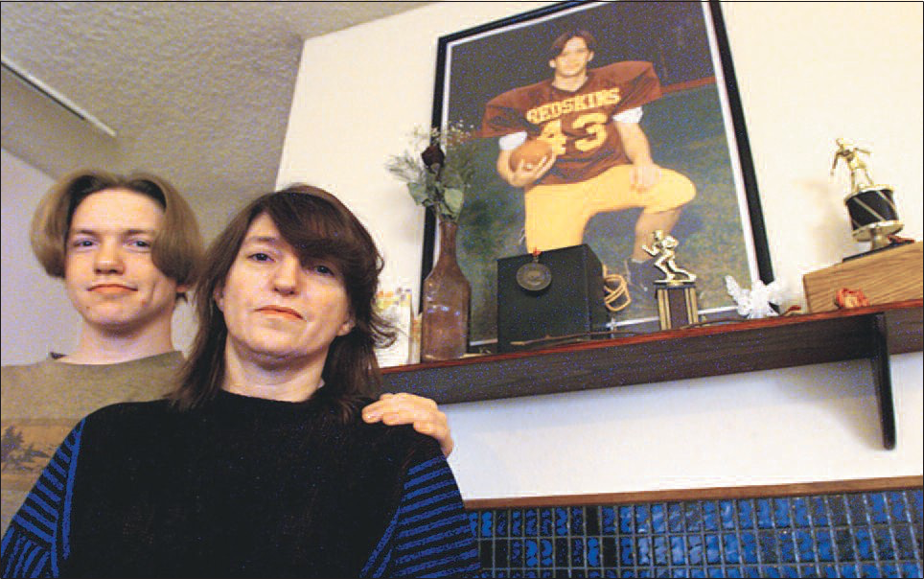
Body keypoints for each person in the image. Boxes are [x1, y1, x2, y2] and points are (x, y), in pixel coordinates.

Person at [1, 184, 480, 577]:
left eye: (321, 268)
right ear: (220, 290)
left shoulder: (396, 456)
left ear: (349, 316)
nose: (287, 281)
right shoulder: (103, 437)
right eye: (262, 257)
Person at [481, 29, 696, 296]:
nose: (571, 59)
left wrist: (643, 161)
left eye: (579, 51)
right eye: (563, 54)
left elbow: (630, 132)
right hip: (553, 186)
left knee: (675, 190)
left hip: (606, 174)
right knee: (556, 269)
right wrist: (516, 179)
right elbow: (506, 159)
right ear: (552, 61)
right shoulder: (524, 101)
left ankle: (642, 264)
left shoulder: (613, 83)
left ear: (590, 55)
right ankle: (590, 272)